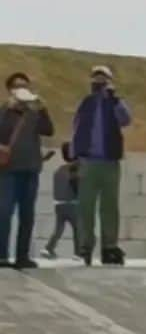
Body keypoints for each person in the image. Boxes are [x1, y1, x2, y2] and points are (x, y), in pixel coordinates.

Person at [71, 65, 132, 266]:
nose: (99, 82)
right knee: (85, 206)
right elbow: (76, 127)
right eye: (96, 79)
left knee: (109, 207)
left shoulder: (115, 102)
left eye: (103, 79)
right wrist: (74, 157)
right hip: (88, 161)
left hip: (110, 162)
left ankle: (109, 246)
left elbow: (126, 120)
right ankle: (85, 246)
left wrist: (114, 100)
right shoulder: (86, 103)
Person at [0, 72, 55, 270]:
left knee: (27, 215)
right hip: (8, 171)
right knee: (4, 213)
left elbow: (49, 130)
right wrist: (9, 109)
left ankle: (22, 256)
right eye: (16, 85)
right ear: (10, 90)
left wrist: (42, 108)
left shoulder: (34, 112)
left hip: (30, 170)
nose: (21, 88)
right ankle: (2, 256)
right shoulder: (5, 111)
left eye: (24, 85)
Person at [42, 142, 79, 259]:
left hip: (59, 205)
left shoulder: (59, 170)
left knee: (58, 229)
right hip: (72, 204)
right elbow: (77, 186)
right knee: (78, 229)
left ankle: (49, 248)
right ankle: (78, 253)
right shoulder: (75, 169)